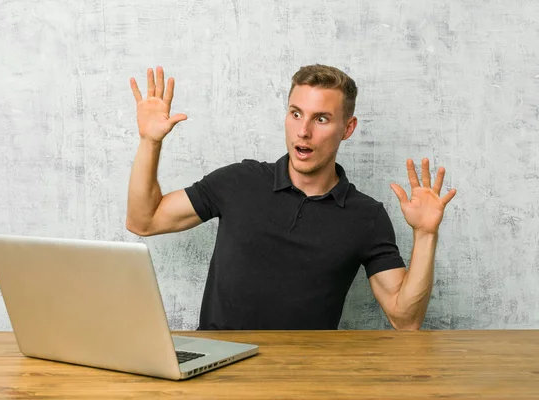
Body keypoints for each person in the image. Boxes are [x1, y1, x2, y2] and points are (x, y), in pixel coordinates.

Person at [126, 64, 457, 330]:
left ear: (348, 128)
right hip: (219, 373)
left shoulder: (365, 216)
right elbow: (144, 220)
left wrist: (426, 235)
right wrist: (149, 142)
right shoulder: (240, 181)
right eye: (296, 113)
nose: (303, 131)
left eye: (321, 119)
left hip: (305, 378)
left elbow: (405, 318)